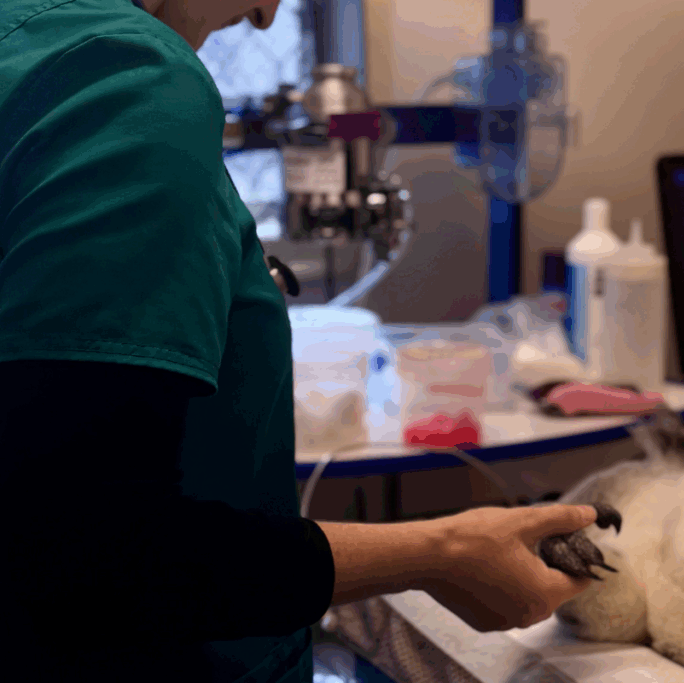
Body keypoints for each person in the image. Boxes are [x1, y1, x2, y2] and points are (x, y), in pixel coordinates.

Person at [0, 1, 597, 681]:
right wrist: (442, 552)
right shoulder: (124, 76)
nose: (264, 16)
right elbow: (89, 553)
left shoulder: (28, 45)